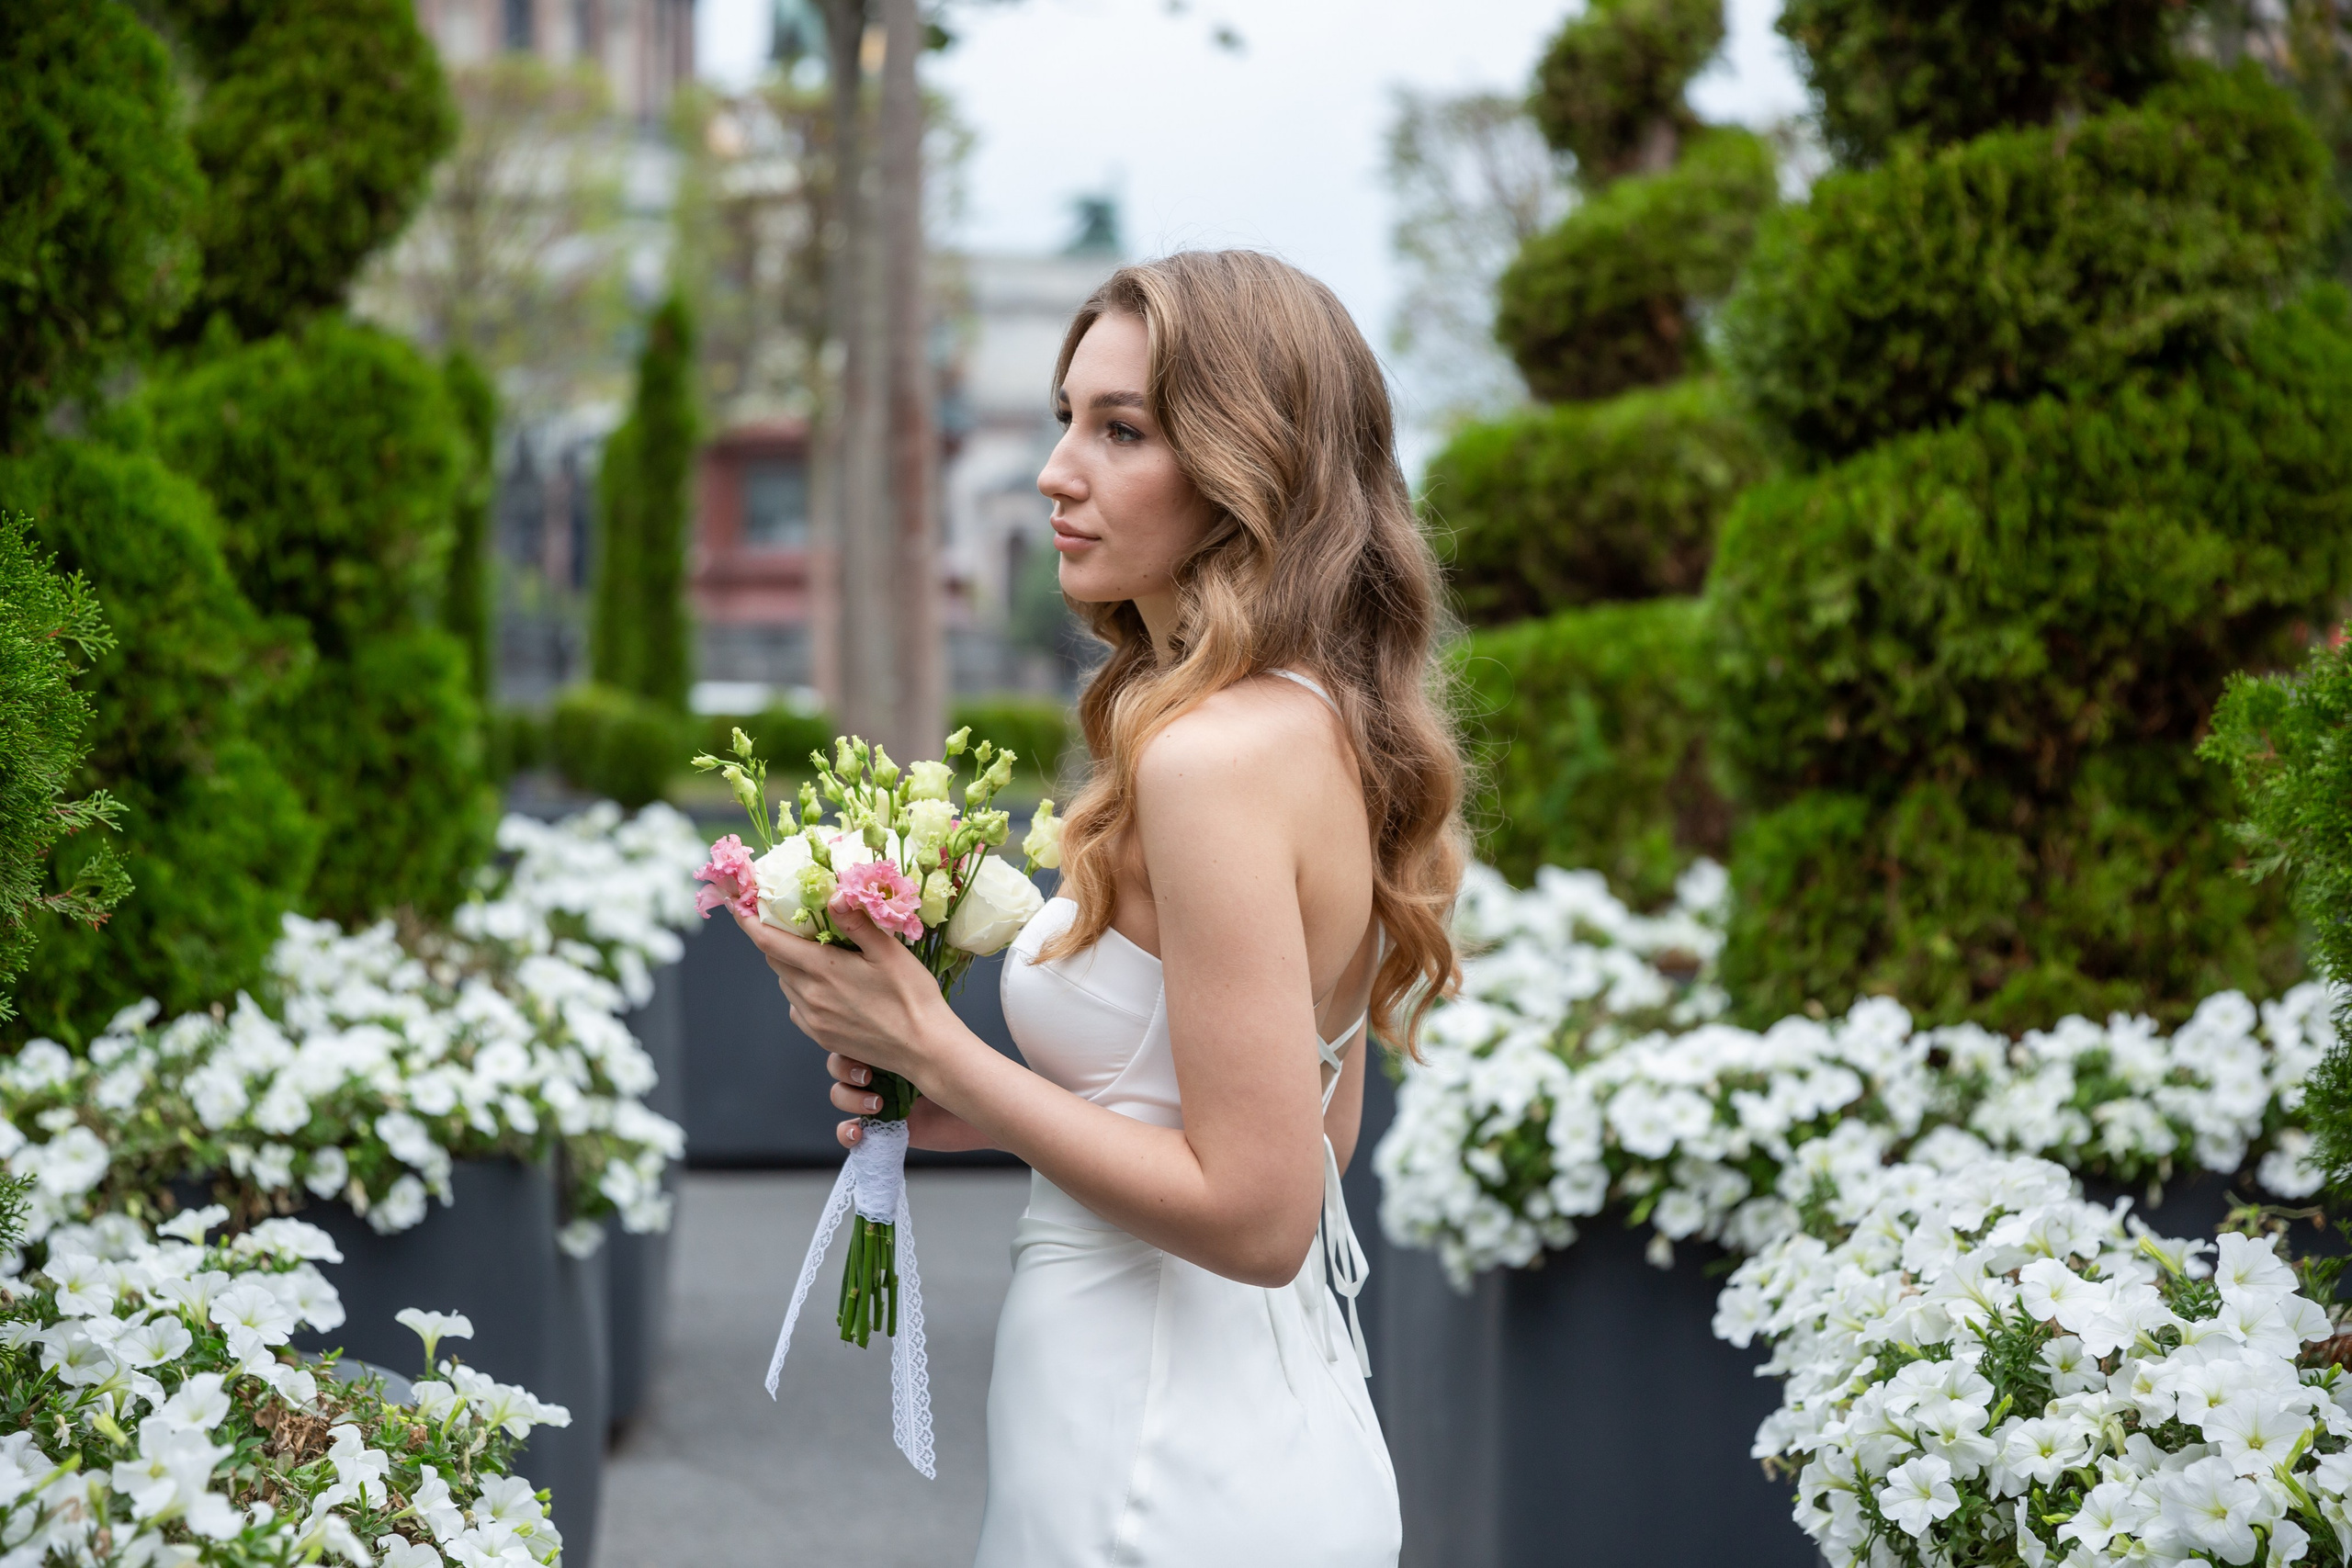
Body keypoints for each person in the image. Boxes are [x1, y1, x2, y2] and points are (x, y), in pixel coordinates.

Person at [733, 249, 1467, 1566]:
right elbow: (1315, 1139)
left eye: (1120, 430)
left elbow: (1261, 1214)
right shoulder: (1313, 726)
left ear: (1251, 468)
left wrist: (934, 1046)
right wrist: (973, 1113)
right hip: (1242, 1423)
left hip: (1163, 1465)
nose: (1057, 471)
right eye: (1068, 418)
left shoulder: (1209, 760)